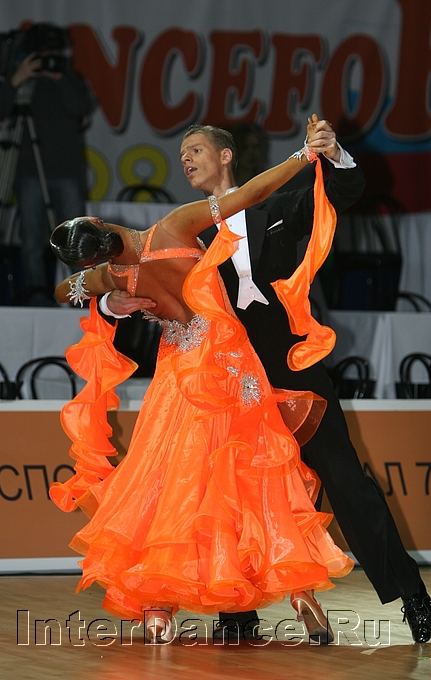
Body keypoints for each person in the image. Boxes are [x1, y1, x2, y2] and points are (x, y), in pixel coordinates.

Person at [103, 116, 431, 644]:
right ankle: (237, 612)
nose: (186, 159)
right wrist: (110, 302)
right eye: (181, 154)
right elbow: (129, 274)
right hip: (228, 379)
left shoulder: (276, 208)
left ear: (226, 155)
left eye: (195, 149)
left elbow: (344, 191)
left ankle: (413, 597)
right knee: (228, 491)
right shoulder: (183, 232)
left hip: (292, 367)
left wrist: (333, 153)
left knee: (346, 480)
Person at [49, 121, 354, 644]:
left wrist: (105, 298)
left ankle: (157, 609)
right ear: (100, 222)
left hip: (178, 378)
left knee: (172, 482)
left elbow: (61, 291)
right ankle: (301, 592)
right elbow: (250, 194)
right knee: (256, 477)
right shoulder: (171, 228)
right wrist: (304, 156)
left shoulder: (114, 276)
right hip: (231, 365)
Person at [0, 23, 95, 306]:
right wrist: (17, 78)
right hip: (28, 172)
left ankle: (79, 296)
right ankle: (37, 297)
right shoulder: (21, 79)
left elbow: (82, 107)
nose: (46, 59)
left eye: (51, 53)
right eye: (41, 54)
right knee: (32, 241)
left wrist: (60, 78)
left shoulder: (68, 78)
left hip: (66, 171)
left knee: (75, 240)